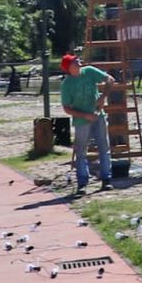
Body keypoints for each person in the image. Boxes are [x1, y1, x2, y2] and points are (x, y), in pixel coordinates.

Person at [60, 53, 112, 195]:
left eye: (77, 60)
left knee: (104, 147)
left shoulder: (89, 71)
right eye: (74, 61)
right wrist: (85, 115)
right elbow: (66, 108)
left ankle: (106, 179)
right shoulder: (66, 84)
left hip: (98, 116)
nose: (78, 61)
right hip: (81, 121)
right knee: (81, 152)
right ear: (68, 68)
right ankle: (82, 183)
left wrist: (102, 97)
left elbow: (110, 80)